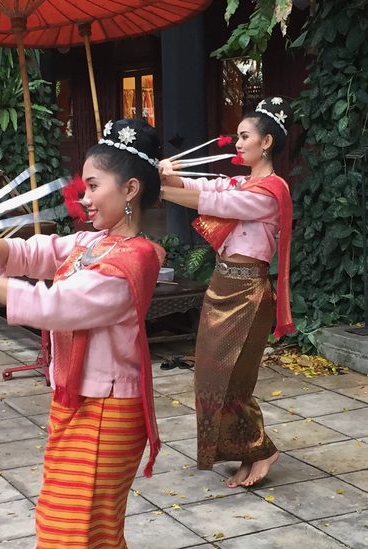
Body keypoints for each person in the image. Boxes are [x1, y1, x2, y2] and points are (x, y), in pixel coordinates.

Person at [0, 118, 164, 548]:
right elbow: (36, 252)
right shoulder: (96, 242)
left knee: (70, 533)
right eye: (84, 187)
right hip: (79, 402)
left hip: (107, 412)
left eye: (93, 186)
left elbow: (55, 307)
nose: (84, 198)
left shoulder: (135, 258)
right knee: (86, 531)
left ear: (130, 190)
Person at [159, 97, 296, 488]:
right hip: (221, 283)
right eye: (237, 136)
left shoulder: (270, 190)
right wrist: (164, 175)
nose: (237, 143)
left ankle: (262, 449)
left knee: (235, 380)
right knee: (210, 376)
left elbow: (217, 201)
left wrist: (159, 188)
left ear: (266, 142)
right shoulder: (241, 181)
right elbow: (203, 186)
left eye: (244, 136)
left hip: (249, 292)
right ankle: (245, 450)